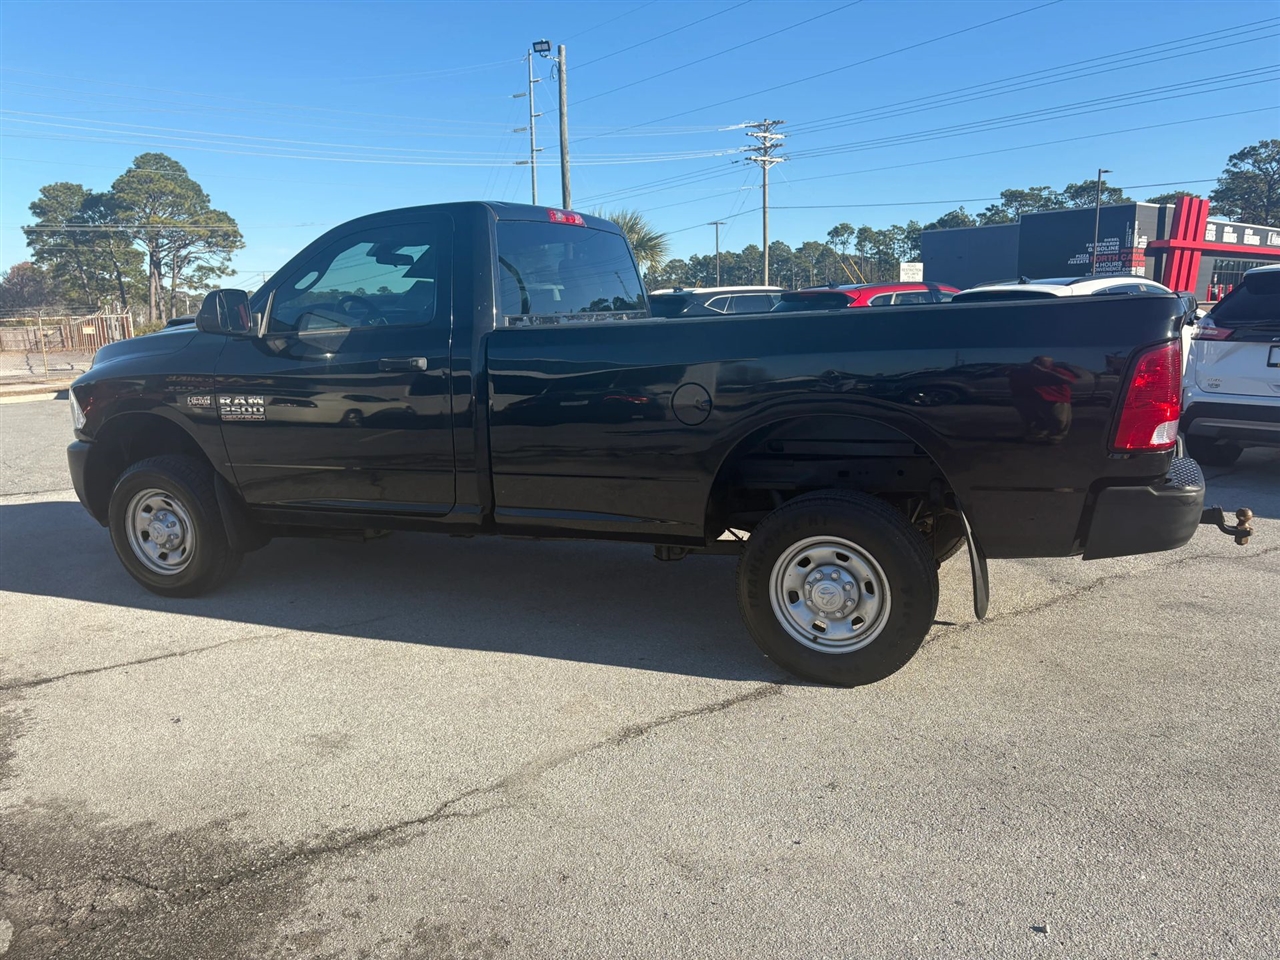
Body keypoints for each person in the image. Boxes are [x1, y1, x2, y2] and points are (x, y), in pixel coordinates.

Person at [1008, 356, 1078, 442]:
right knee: (1032, 417)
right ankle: (1037, 433)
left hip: (1056, 398)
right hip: (1032, 397)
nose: (1036, 363)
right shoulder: (1024, 371)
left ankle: (1055, 437)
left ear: (1050, 364)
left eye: (1040, 362)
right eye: (1035, 361)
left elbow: (1070, 380)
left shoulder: (1056, 371)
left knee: (1059, 420)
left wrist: (1045, 371)